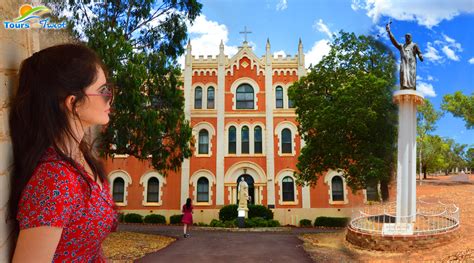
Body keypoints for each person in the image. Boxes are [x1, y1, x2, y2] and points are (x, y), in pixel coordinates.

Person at [8, 43, 117, 262]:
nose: (110, 97)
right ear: (73, 102)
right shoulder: (54, 181)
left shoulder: (80, 157)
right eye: (103, 90)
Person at [386, 23, 423, 90]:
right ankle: (403, 87)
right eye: (406, 36)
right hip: (404, 63)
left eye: (409, 36)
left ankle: (411, 88)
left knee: (411, 75)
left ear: (411, 38)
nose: (408, 37)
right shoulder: (401, 46)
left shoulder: (414, 45)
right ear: (405, 38)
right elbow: (394, 42)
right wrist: (389, 32)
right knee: (403, 73)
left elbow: (419, 53)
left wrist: (420, 56)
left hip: (411, 64)